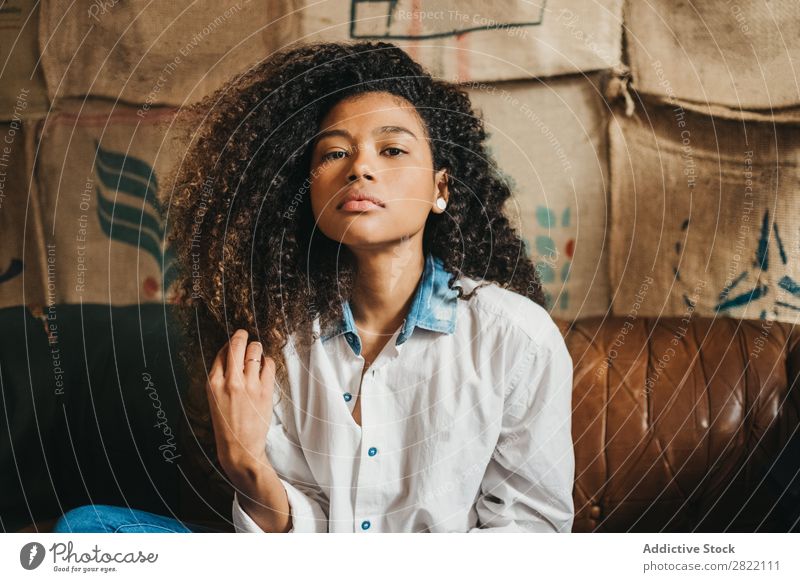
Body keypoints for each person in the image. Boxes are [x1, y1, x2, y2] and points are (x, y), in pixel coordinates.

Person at [53, 40, 575, 534]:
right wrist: (245, 463)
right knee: (87, 531)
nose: (361, 168)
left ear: (441, 188)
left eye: (392, 150)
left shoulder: (517, 337)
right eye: (332, 155)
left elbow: (529, 532)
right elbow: (293, 535)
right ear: (307, 192)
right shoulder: (276, 337)